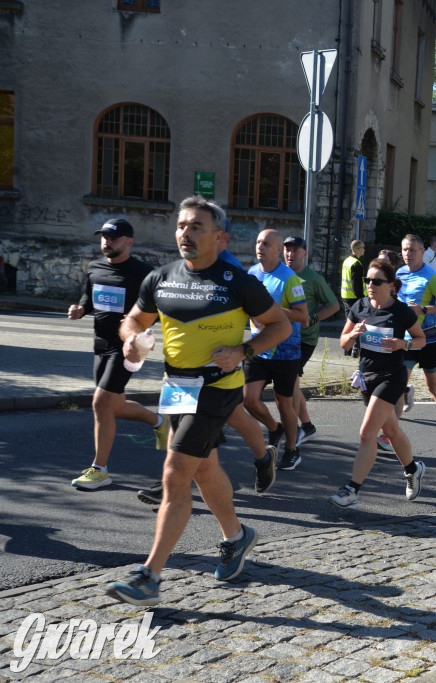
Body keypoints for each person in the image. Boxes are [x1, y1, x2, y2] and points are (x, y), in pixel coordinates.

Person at [104, 195, 291, 605]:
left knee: (175, 473)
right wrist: (132, 340)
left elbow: (280, 325)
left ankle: (149, 576)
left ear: (220, 238)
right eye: (182, 226)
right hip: (176, 387)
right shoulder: (161, 277)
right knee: (204, 471)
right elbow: (134, 319)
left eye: (197, 227)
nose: (185, 234)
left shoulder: (238, 281)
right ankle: (237, 537)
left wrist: (244, 352)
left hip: (217, 388)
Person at [67, 218, 165, 490]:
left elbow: (157, 311)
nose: (106, 242)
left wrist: (138, 325)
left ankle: (99, 469)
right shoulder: (95, 267)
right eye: (104, 237)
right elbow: (89, 297)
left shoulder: (144, 273)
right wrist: (80, 309)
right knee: (115, 406)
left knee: (100, 403)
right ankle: (160, 422)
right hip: (100, 344)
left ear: (129, 242)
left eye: (113, 237)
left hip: (127, 347)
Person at [328, 258, 427, 508]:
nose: (370, 285)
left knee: (367, 433)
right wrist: (353, 334)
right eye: (368, 280)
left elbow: (421, 340)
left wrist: (402, 344)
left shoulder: (401, 311)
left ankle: (352, 489)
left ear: (391, 285)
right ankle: (413, 469)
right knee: (391, 430)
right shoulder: (360, 307)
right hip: (366, 377)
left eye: (376, 281)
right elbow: (343, 343)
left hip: (392, 376)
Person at [242, 230, 308, 471]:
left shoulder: (289, 279)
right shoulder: (251, 274)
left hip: (285, 351)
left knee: (284, 402)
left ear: (278, 249)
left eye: (266, 243)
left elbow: (303, 316)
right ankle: (274, 428)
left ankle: (292, 449)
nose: (260, 246)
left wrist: (271, 310)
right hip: (258, 349)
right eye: (258, 241)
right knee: (248, 399)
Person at [396, 233, 436, 447]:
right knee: (398, 381)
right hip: (408, 338)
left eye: (413, 250)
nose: (408, 254)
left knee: (433, 386)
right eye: (405, 250)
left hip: (430, 339)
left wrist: (422, 309)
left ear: (423, 252)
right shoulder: (399, 273)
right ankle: (388, 433)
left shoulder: (432, 277)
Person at [283, 236, 340, 445]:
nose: (290, 254)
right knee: (291, 384)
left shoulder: (313, 279)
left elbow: (334, 306)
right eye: (287, 249)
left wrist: (314, 317)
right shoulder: (279, 274)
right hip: (280, 338)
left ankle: (300, 428)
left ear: (305, 253)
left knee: (290, 384)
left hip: (304, 340)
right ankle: (306, 427)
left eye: (295, 250)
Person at [339, 240, 365, 356]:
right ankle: (356, 349)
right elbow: (357, 286)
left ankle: (347, 349)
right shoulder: (356, 264)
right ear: (358, 249)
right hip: (355, 298)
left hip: (345, 296)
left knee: (349, 322)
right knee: (357, 323)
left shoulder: (347, 261)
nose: (364, 249)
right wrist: (362, 299)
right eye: (363, 248)